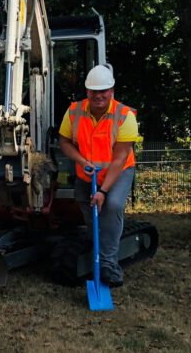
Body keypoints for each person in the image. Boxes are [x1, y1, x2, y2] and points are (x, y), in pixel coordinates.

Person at [59, 64, 138, 287]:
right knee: (88, 207)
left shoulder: (125, 116)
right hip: (87, 173)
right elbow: (64, 142)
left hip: (118, 171)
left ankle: (109, 264)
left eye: (103, 91)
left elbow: (120, 158)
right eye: (94, 91)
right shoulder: (74, 111)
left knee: (112, 206)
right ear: (87, 91)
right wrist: (81, 161)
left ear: (111, 91)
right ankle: (100, 245)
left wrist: (103, 191)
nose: (98, 95)